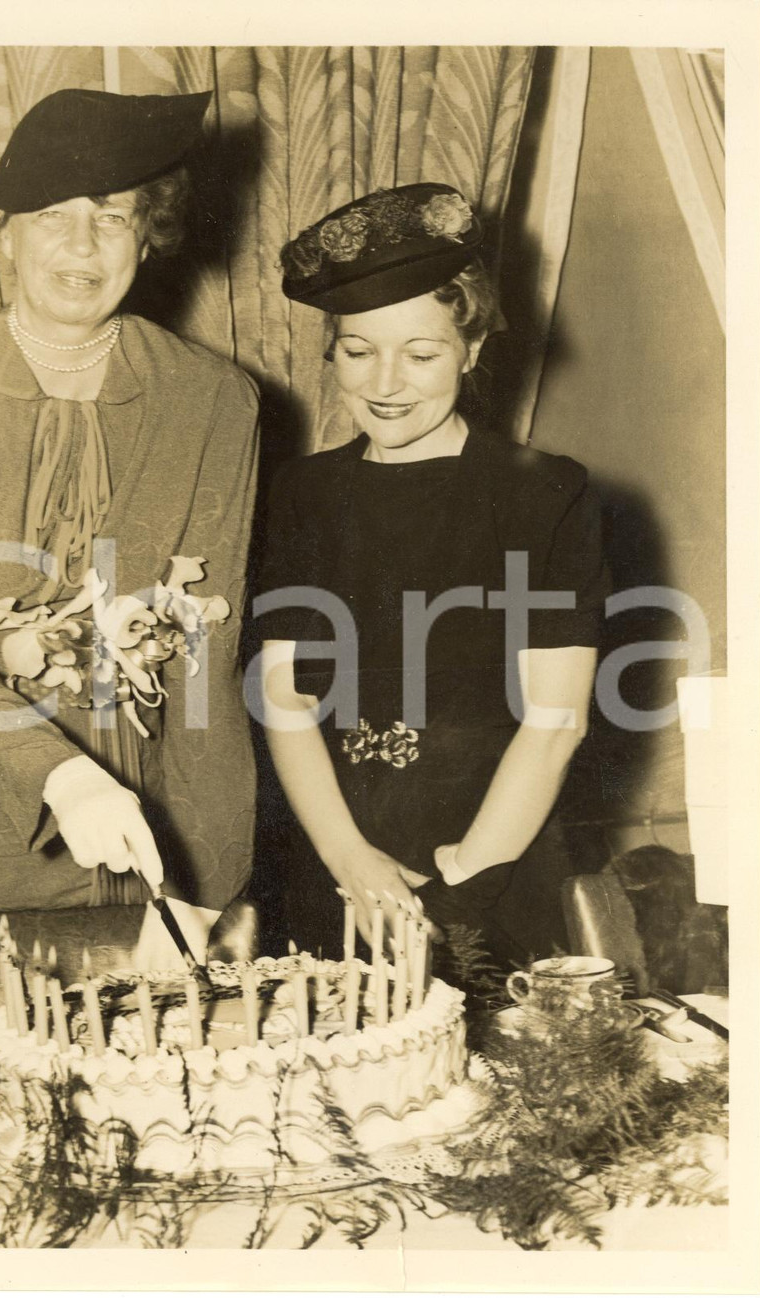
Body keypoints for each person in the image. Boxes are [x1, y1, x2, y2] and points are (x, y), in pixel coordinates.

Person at [0, 89, 259, 1021]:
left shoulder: (216, 402)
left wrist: (207, 863)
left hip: (147, 828)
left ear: (148, 234)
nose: (83, 245)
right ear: (5, 235)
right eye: (52, 217)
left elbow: (203, 654)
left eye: (112, 217)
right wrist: (65, 775)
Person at [256, 183, 607, 967]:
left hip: (490, 871)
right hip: (334, 867)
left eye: (421, 354)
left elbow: (556, 725)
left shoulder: (540, 491)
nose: (385, 383)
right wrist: (351, 862)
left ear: (472, 350)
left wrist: (455, 894)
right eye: (357, 351)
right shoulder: (303, 493)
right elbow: (286, 698)